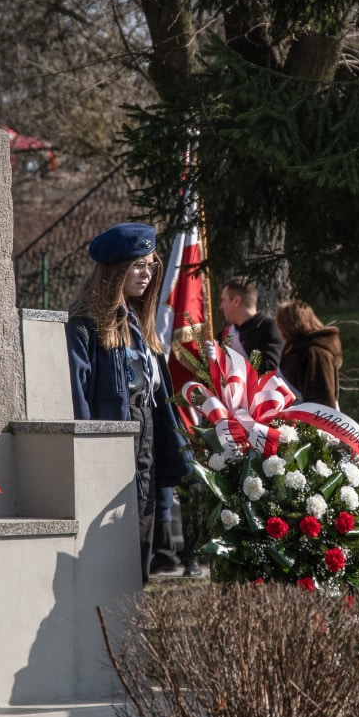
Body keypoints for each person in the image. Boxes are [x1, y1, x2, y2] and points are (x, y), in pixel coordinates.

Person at [67, 222, 190, 579]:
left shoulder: (139, 321)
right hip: (113, 436)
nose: (147, 274)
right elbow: (78, 395)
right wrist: (91, 453)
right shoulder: (86, 324)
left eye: (151, 265)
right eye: (138, 265)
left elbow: (157, 393)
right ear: (115, 269)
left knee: (142, 535)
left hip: (147, 433)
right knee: (112, 540)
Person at [275, 299, 341, 407]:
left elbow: (323, 400)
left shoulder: (316, 352)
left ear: (292, 324)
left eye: (280, 323)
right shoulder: (293, 346)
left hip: (311, 419)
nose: (278, 327)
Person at [220, 277, 284, 373]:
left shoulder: (269, 328)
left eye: (224, 300)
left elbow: (270, 368)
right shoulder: (227, 334)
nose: (221, 307)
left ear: (237, 301)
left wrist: (234, 368)